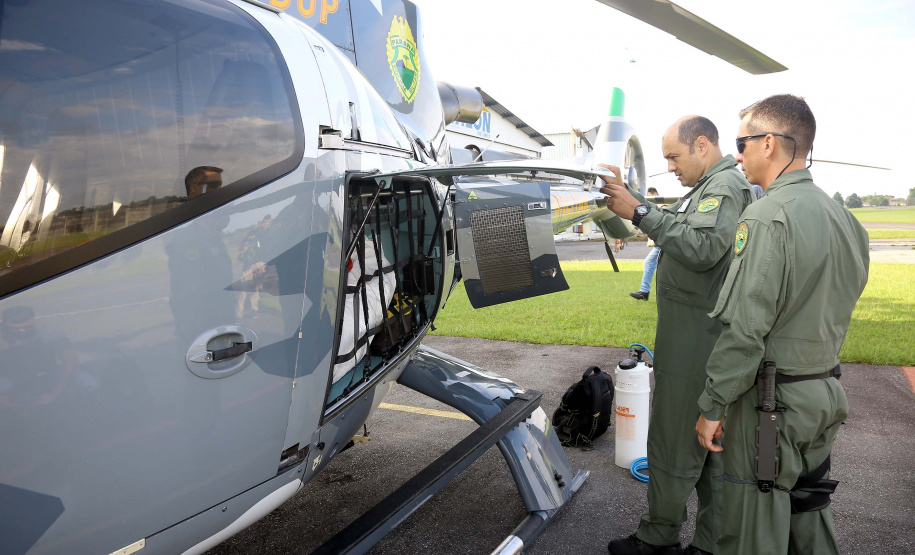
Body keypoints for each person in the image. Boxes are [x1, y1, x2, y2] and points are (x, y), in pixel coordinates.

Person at [695, 95, 869, 554]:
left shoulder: (767, 215)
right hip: (824, 393)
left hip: (774, 405)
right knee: (809, 514)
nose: (737, 154)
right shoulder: (847, 220)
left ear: (768, 143)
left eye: (742, 142)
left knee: (752, 531)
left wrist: (713, 405)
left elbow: (745, 330)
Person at [600, 116, 754, 555]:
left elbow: (703, 249)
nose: (669, 166)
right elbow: (691, 234)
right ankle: (709, 544)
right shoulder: (710, 190)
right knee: (709, 451)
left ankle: (657, 538)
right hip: (698, 336)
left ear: (702, 145)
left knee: (672, 442)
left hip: (695, 343)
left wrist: (641, 212)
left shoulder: (722, 189)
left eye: (674, 156)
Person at [630, 187, 660, 301]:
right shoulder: (656, 205)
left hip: (663, 242)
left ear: (655, 194)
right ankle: (644, 292)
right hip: (660, 243)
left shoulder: (662, 205)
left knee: (650, 263)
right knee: (650, 263)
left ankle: (644, 292)